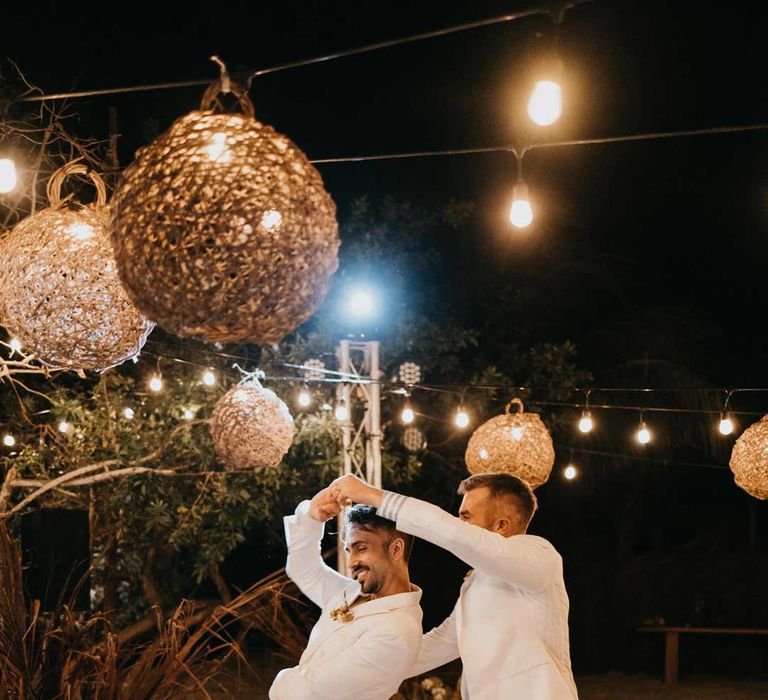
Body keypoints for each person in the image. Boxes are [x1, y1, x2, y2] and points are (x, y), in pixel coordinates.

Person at [330, 472, 578, 700]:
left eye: (465, 517)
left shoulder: (542, 556)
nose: (458, 523)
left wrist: (374, 496)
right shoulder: (476, 583)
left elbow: (454, 534)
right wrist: (359, 668)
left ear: (501, 525)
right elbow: (435, 646)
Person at [269, 486, 423, 700]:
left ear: (396, 549)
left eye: (361, 548)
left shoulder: (396, 633)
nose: (351, 563)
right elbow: (304, 570)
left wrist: (282, 681)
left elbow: (308, 693)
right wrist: (312, 518)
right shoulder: (350, 592)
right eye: (349, 550)